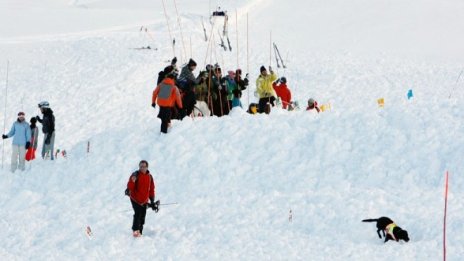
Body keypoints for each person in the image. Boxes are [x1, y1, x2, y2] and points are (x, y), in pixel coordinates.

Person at [125, 160, 157, 237]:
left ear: (147, 167)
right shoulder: (135, 175)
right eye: (141, 166)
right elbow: (130, 187)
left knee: (143, 216)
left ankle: (140, 231)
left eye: (144, 166)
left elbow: (151, 189)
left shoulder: (150, 177)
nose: (142, 168)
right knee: (138, 213)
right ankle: (135, 230)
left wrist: (152, 200)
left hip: (144, 200)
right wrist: (132, 181)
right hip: (135, 198)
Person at [152, 65, 183, 134]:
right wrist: (180, 107)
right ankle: (163, 134)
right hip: (167, 105)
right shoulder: (174, 87)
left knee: (165, 118)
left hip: (160, 103)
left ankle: (167, 129)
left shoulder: (161, 84)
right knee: (165, 120)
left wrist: (153, 102)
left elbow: (154, 92)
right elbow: (178, 98)